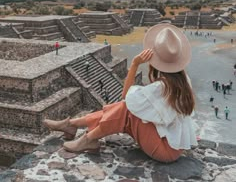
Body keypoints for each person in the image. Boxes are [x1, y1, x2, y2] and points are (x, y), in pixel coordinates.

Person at [43, 24, 198, 163]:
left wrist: (135, 64)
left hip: (164, 150)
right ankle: (71, 125)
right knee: (126, 107)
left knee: (126, 108)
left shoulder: (161, 86)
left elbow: (126, 97)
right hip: (171, 146)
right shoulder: (183, 81)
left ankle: (88, 138)